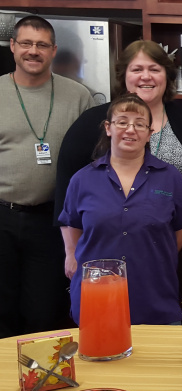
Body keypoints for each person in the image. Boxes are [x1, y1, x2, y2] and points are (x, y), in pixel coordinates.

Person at [56, 40, 182, 303]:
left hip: (162, 259)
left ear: (167, 76)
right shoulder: (92, 121)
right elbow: (69, 195)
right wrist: (71, 252)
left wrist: (165, 250)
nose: (146, 76)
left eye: (154, 69)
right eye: (137, 69)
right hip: (102, 255)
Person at [0, 15, 94, 338]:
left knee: (44, 308)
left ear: (54, 50)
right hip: (3, 215)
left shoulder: (79, 96)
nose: (33, 51)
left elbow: (91, 160)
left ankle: (40, 377)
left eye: (41, 45)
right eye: (26, 43)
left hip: (53, 220)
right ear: (13, 47)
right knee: (2, 306)